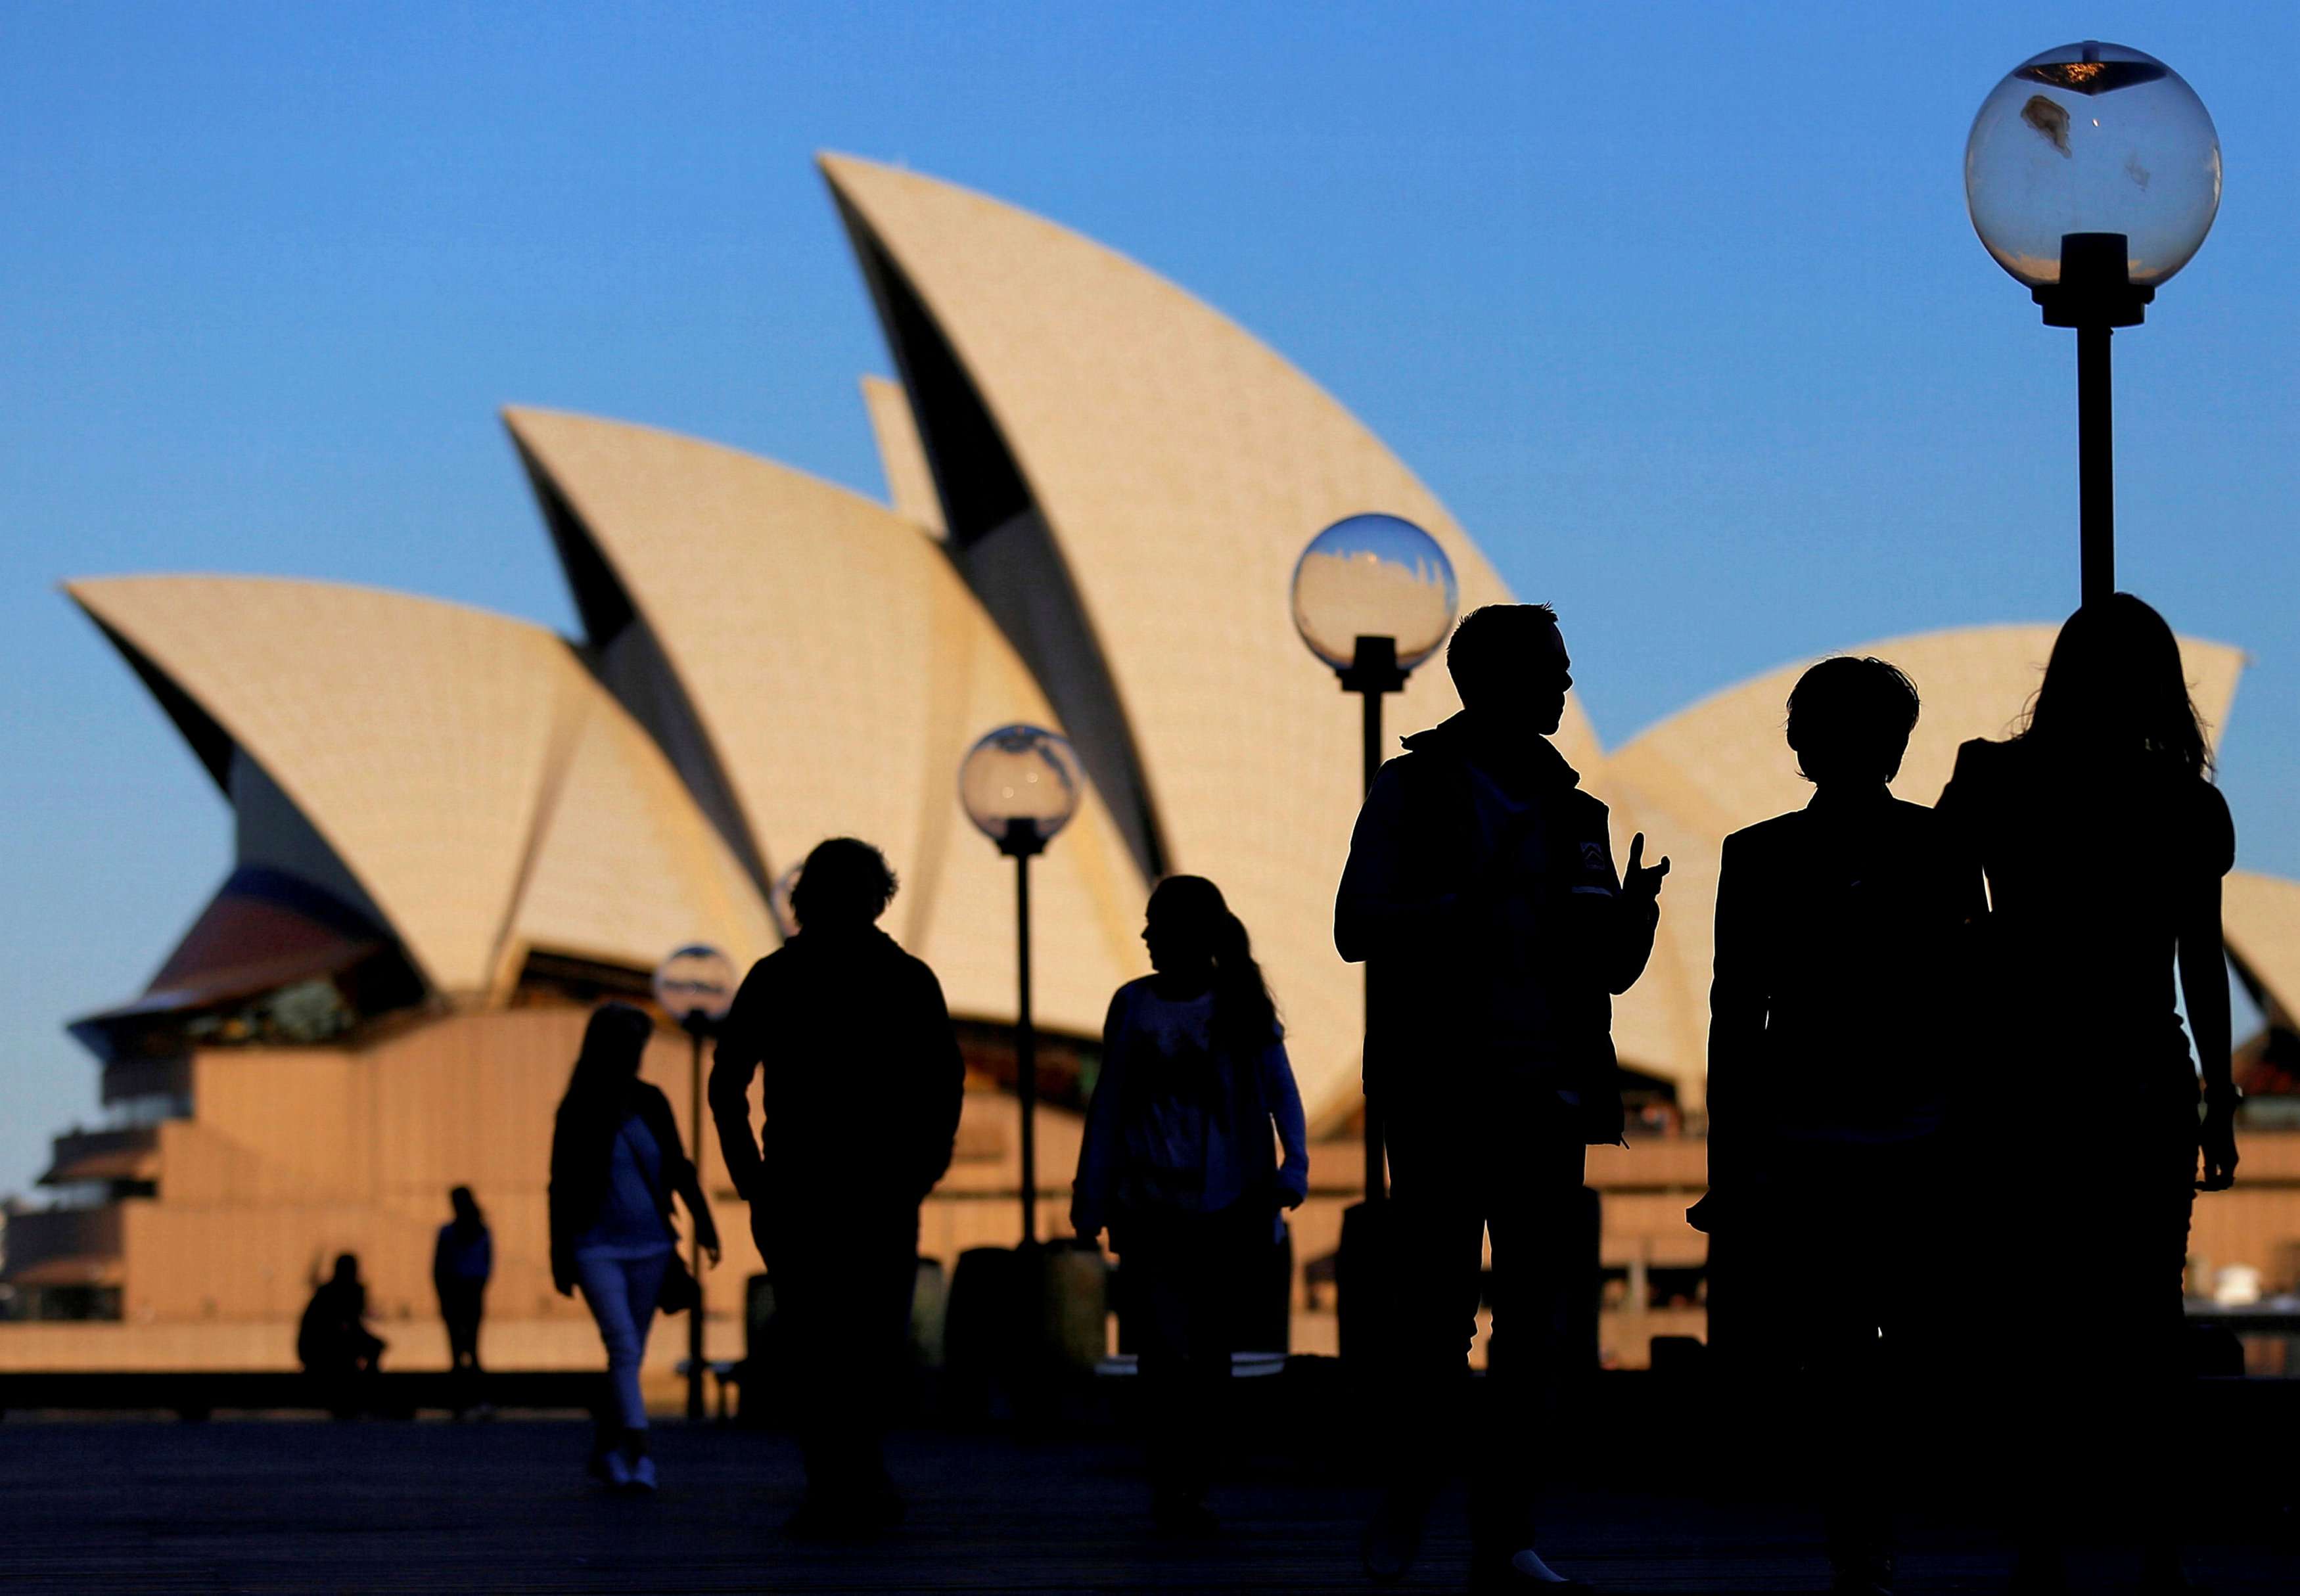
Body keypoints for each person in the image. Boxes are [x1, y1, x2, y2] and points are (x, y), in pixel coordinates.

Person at [1337, 603, 1669, 1592]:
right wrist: (1465, 906)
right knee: (1435, 1314)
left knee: (1539, 1322)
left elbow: (1605, 970)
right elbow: (1358, 926)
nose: (1568, 688)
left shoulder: (1577, 812)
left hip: (1547, 1093)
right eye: (1553, 671)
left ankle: (1505, 1530)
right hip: (1442, 1086)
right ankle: (1410, 1494)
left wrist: (1636, 923)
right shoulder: (1411, 789)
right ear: (1493, 680)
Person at [1933, 594, 2240, 1596]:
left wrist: (1988, 948)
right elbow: (2200, 958)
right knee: (2147, 1314)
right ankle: (2157, 1542)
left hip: (2021, 1073)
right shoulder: (2184, 800)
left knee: (2035, 1314)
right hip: (2146, 1072)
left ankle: (2039, 1541)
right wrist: (2222, 1098)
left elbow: (1934, 899)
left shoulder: (1994, 776)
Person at [1691, 656, 1984, 1596]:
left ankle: (1860, 1531)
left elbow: (1736, 1016)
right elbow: (1973, 1004)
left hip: (1816, 1138)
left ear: (1796, 744)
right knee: (1888, 1349)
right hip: (1898, 1136)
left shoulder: (1761, 854)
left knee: (1844, 1351)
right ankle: (1873, 1527)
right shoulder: (1943, 849)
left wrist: (1730, 1161)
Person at [710, 837, 964, 1538]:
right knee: (869, 1340)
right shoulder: (907, 977)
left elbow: (725, 1083)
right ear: (878, 897)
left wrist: (751, 1181)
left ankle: (835, 1481)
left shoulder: (775, 975)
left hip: (799, 1190)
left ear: (804, 898)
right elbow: (945, 1081)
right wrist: (925, 1165)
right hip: (879, 1189)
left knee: (817, 1343)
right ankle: (860, 1476)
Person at [1072, 875, 1311, 1536]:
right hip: (1148, 1205)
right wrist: (1090, 1197)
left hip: (1225, 1206)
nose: (1146, 934)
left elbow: (1280, 1092)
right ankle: (1173, 1480)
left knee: (1204, 1351)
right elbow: (1109, 1104)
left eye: (1156, 923)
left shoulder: (1239, 1006)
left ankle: (1190, 1479)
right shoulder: (1133, 1005)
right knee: (1164, 1347)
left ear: (1189, 934)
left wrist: (1294, 1167)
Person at [548, 1001, 722, 1493]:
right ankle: (642, 1455)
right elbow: (559, 1185)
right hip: (595, 1246)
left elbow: (678, 1165)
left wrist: (703, 1219)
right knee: (623, 1345)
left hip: (651, 1246)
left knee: (628, 1355)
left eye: (639, 1045)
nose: (635, 1055)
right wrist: (559, 1255)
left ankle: (607, 1451)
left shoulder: (651, 1101)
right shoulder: (579, 1108)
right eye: (628, 1045)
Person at [297, 1252, 387, 1418]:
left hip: (322, 1348)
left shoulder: (330, 1292)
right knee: (367, 1349)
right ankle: (368, 1395)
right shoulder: (339, 1293)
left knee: (369, 1348)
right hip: (321, 1350)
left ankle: (366, 1394)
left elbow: (350, 1327)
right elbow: (347, 1327)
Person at [432, 1185, 493, 1417]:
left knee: (463, 1350)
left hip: (462, 1292)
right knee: (467, 1349)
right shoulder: (469, 1232)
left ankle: (466, 1400)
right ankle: (469, 1400)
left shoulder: (450, 1233)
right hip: (464, 1292)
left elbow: (439, 1267)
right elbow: (486, 1265)